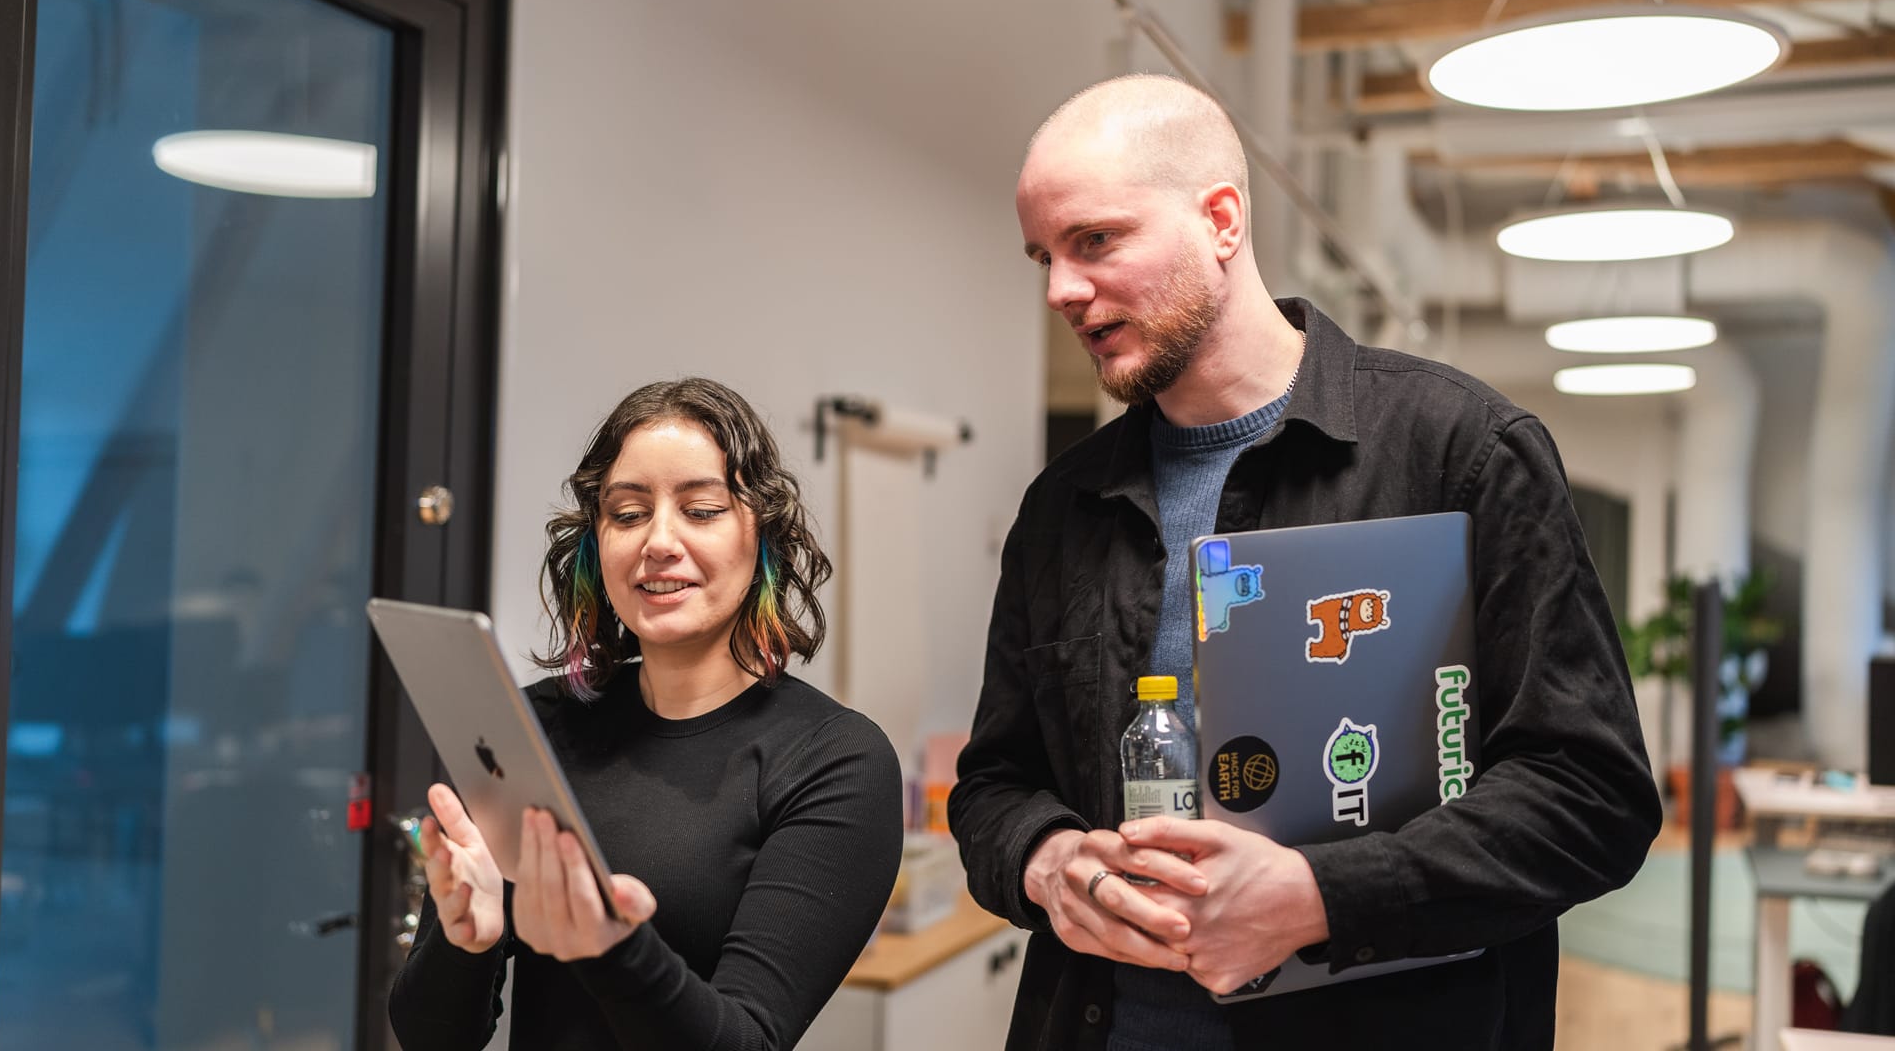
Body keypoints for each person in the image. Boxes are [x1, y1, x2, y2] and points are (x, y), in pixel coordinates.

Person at [946, 75, 1663, 1051]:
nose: (1061, 290)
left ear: (1222, 221)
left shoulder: (1461, 453)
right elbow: (995, 782)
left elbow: (1592, 796)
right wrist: (1045, 861)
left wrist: (1326, 893)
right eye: (1044, 257)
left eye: (1095, 241)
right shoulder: (1061, 510)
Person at [388, 378, 904, 1050]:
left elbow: (748, 1040)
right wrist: (465, 943)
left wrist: (612, 947)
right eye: (628, 514)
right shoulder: (535, 727)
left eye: (703, 509)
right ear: (596, 545)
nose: (659, 541)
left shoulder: (834, 761)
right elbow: (431, 1037)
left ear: (762, 538)